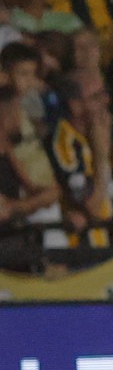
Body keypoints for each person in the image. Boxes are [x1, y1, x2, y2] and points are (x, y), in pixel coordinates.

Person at [47, 70, 113, 247]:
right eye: (96, 97)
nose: (106, 101)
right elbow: (91, 206)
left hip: (107, 246)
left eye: (104, 93)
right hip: (81, 253)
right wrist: (101, 156)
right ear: (75, 105)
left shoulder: (99, 134)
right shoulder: (63, 143)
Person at [0, 84, 58, 271]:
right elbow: (3, 211)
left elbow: (46, 191)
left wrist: (24, 205)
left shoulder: (7, 150)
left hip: (17, 241)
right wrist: (32, 203)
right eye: (18, 112)